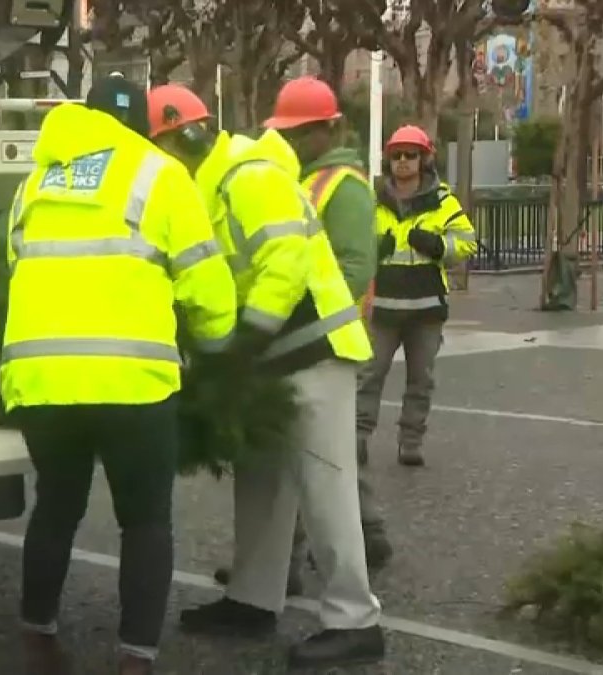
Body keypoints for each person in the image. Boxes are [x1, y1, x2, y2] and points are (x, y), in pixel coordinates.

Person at [2, 76, 237, 675]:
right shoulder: (160, 174)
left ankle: (36, 638)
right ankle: (135, 658)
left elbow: (16, 261)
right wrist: (217, 345)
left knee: (55, 505)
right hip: (132, 382)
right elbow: (203, 279)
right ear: (141, 124)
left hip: (41, 380)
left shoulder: (36, 181)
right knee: (145, 520)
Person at [146, 83, 385, 669]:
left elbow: (285, 259)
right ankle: (253, 600)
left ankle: (356, 620)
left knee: (326, 489)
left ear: (189, 136)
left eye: (159, 148)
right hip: (276, 354)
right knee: (262, 483)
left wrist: (247, 336)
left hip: (312, 351)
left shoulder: (247, 175)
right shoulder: (208, 186)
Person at [209, 76, 393, 595]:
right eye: (288, 132)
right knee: (271, 476)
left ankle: (354, 604)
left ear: (331, 128)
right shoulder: (289, 176)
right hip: (286, 344)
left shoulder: (345, 184)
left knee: (328, 479)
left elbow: (355, 264)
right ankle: (260, 590)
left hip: (317, 338)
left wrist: (312, 312)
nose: (295, 141)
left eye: (306, 132)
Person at [357, 125, 478, 467]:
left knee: (421, 380)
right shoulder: (371, 200)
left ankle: (411, 442)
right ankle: (357, 439)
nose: (404, 161)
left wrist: (440, 247)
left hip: (426, 310)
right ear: (388, 159)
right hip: (381, 308)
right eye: (397, 155)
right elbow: (352, 240)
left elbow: (467, 240)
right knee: (369, 376)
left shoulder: (443, 200)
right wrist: (372, 250)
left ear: (424, 159)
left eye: (411, 154)